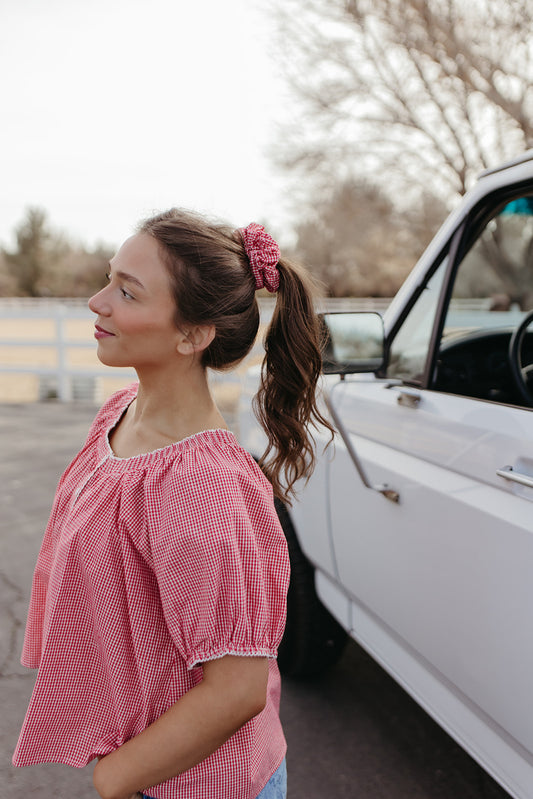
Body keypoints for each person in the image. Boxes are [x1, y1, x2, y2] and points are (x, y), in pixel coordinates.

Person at [13, 209, 332, 799]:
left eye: (126, 292)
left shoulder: (204, 488)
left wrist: (118, 777)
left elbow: (237, 689)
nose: (95, 301)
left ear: (193, 335)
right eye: (110, 278)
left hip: (201, 787)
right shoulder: (120, 411)